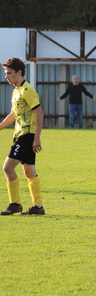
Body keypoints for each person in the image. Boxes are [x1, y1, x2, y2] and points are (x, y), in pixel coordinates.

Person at [0, 57, 45, 216]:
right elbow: (14, 114)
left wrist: (37, 137)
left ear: (19, 72)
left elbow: (39, 113)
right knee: (29, 172)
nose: (6, 77)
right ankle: (38, 207)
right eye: (5, 73)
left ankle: (15, 204)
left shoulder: (27, 90)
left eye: (9, 73)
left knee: (7, 167)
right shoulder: (16, 90)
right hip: (20, 134)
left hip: (26, 135)